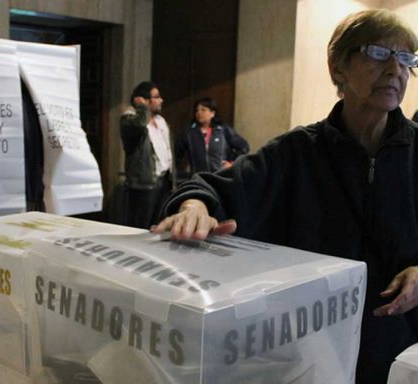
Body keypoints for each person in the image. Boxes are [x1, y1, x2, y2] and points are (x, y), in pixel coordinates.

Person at [153, 9, 418, 384]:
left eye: (406, 58)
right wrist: (194, 206)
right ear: (338, 68)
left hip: (402, 355)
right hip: (311, 353)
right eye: (378, 53)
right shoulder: (297, 151)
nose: (395, 69)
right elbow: (210, 188)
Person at [120, 81, 174, 229]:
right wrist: (142, 107)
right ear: (143, 99)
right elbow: (139, 125)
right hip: (144, 183)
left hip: (163, 180)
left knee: (157, 224)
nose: (161, 100)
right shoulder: (129, 119)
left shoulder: (160, 120)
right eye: (156, 97)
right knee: (140, 226)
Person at [174, 97, 249, 178]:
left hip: (221, 176)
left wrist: (232, 164)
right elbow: (176, 154)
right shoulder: (189, 132)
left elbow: (244, 147)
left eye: (203, 110)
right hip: (198, 178)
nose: (199, 113)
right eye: (197, 110)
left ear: (212, 113)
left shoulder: (223, 130)